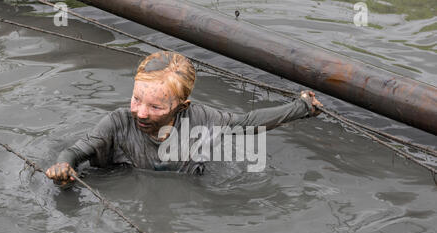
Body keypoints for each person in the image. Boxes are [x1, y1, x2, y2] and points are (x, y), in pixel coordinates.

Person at [46, 51, 323, 187]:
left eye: (155, 106)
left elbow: (247, 123)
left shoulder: (201, 119)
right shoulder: (118, 123)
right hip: (124, 181)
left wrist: (302, 107)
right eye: (136, 99)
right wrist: (63, 169)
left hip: (185, 188)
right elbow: (74, 152)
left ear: (181, 106)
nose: (141, 112)